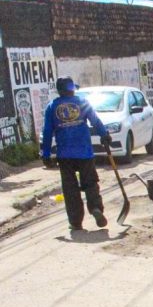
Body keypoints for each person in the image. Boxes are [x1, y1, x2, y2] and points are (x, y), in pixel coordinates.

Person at [41, 76, 112, 230]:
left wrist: (45, 154)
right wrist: (104, 135)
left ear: (59, 91)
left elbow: (47, 132)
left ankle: (75, 221)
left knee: (70, 188)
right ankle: (96, 208)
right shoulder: (82, 102)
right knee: (90, 183)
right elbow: (95, 120)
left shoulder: (52, 107)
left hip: (65, 154)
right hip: (84, 152)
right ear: (72, 89)